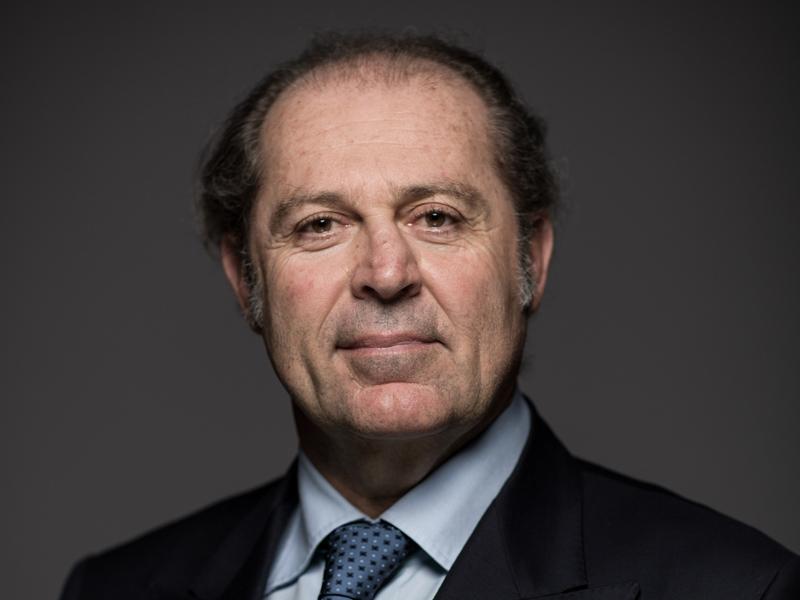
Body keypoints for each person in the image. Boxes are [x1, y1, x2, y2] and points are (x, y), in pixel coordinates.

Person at [60, 33, 799, 600]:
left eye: (437, 217)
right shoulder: (112, 589)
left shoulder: (741, 588)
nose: (386, 274)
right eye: (320, 225)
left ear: (532, 260)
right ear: (244, 277)